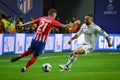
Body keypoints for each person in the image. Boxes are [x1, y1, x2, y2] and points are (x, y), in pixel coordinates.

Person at [10, 9, 80, 72]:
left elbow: (32, 23)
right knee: (35, 56)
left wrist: (22, 26)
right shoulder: (52, 21)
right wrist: (75, 23)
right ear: (53, 14)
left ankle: (20, 56)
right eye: (55, 15)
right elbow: (64, 26)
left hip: (34, 39)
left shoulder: (42, 18)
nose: (55, 17)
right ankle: (25, 68)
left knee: (31, 50)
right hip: (41, 41)